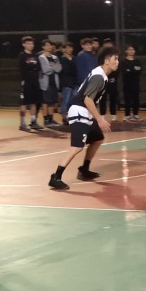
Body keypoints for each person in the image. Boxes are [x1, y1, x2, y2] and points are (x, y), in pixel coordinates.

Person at [48, 45, 118, 190]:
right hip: (79, 112)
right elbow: (87, 99)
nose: (117, 62)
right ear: (106, 61)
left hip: (86, 112)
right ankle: (55, 177)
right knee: (77, 146)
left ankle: (84, 170)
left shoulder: (102, 74)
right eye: (115, 59)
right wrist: (100, 119)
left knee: (98, 138)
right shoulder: (99, 76)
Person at [17, 36, 44, 132]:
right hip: (26, 81)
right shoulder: (22, 55)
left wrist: (33, 69)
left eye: (32, 43)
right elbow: (23, 68)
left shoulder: (35, 55)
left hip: (35, 81)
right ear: (23, 44)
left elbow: (38, 67)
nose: (30, 45)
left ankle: (33, 122)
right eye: (28, 43)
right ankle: (22, 123)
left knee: (34, 102)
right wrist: (30, 71)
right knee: (24, 102)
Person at [38, 38, 63, 129]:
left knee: (52, 102)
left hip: (54, 82)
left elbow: (59, 69)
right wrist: (53, 67)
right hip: (45, 83)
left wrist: (51, 67)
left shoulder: (55, 57)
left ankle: (51, 118)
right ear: (43, 47)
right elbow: (45, 70)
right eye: (47, 45)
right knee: (45, 102)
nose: (49, 47)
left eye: (50, 45)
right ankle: (46, 120)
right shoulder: (41, 57)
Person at [120, 45, 143, 122]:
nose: (131, 51)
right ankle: (127, 115)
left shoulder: (137, 62)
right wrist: (133, 70)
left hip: (136, 84)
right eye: (129, 50)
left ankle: (136, 115)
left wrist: (130, 70)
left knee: (136, 99)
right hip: (127, 84)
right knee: (127, 100)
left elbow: (139, 71)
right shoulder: (124, 62)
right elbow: (125, 72)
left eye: (133, 49)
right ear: (126, 51)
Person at [58, 42, 79, 121]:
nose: (70, 49)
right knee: (66, 100)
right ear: (64, 49)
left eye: (71, 47)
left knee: (73, 100)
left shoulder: (74, 58)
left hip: (74, 82)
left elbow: (76, 70)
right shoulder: (62, 59)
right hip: (66, 82)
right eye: (67, 48)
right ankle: (64, 116)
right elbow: (65, 71)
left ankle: (70, 115)